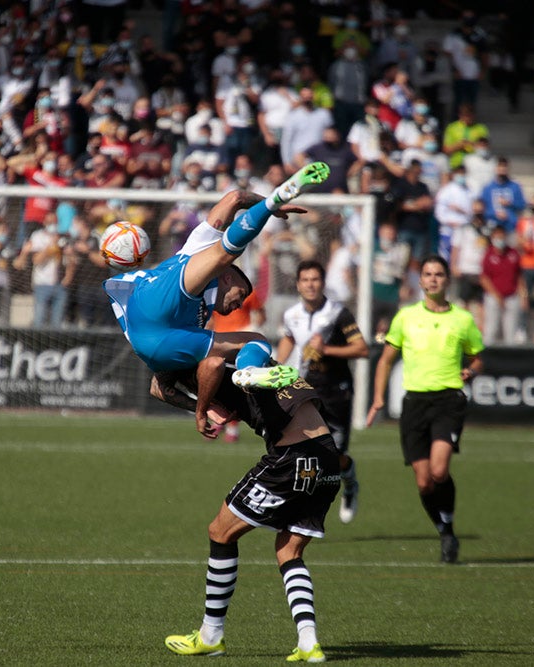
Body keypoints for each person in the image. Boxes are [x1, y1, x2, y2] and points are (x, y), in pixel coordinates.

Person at [154, 356, 340, 663]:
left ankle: (210, 635)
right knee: (288, 551)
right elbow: (157, 387)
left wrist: (200, 411)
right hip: (326, 457)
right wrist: (200, 406)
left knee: (221, 532)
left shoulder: (206, 357)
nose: (237, 304)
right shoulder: (249, 349)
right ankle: (309, 642)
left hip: (291, 459)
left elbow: (211, 365)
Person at [103, 162, 330, 387]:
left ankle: (248, 372)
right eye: (240, 295)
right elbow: (234, 199)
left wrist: (201, 409)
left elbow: (162, 388)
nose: (239, 305)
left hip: (160, 346)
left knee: (258, 341)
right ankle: (276, 198)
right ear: (229, 277)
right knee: (223, 253)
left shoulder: (205, 311)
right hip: (152, 302)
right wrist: (270, 206)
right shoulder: (197, 245)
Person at [367, 254, 484, 564]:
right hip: (414, 403)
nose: (433, 279)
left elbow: (477, 356)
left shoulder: (463, 319)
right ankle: (445, 529)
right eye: (428, 274)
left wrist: (471, 371)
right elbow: (385, 360)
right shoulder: (406, 317)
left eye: (439, 274)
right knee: (423, 481)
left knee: (439, 470)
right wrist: (378, 399)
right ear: (420, 281)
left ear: (447, 280)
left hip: (448, 400)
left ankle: (447, 529)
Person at [277, 260, 369, 524]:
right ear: (298, 284)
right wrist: (274, 371)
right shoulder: (291, 314)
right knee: (304, 452)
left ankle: (349, 483)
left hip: (337, 392)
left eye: (315, 279)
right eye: (305, 280)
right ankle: (302, 511)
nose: (310, 285)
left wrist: (326, 350)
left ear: (323, 282)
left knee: (334, 457)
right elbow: (289, 340)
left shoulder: (338, 314)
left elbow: (361, 349)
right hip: (307, 392)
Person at [479, 226, 524, 344]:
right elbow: (484, 278)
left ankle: (511, 359)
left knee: (511, 332)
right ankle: (487, 358)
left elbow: (519, 275)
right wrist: (496, 296)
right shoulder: (488, 254)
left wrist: (523, 295)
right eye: (497, 236)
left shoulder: (513, 253)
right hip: (493, 297)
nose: (500, 239)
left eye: (502, 236)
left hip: (511, 296)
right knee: (491, 330)